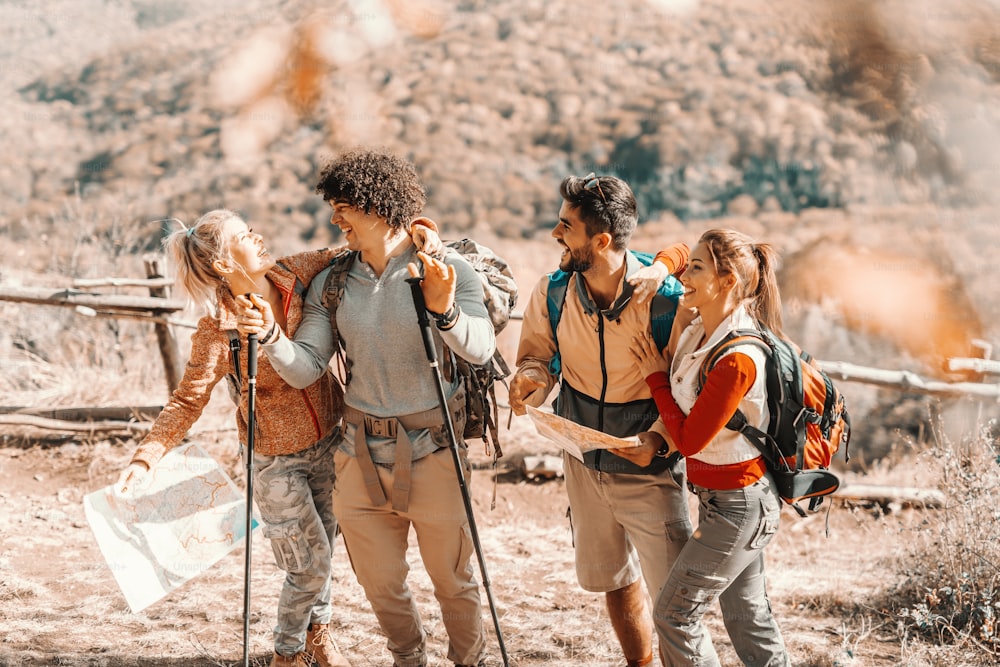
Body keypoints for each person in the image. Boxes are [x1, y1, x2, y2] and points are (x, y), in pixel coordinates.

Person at [115, 208, 441, 667]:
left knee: (323, 552)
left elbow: (356, 246)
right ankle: (285, 654)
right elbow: (188, 400)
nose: (260, 236)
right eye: (246, 236)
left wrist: (415, 229)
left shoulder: (295, 273)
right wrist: (146, 457)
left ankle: (318, 636)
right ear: (226, 264)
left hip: (330, 441)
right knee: (307, 566)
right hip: (274, 462)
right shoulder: (218, 332)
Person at [235, 148, 494, 667]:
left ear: (376, 206)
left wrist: (443, 312)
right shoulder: (333, 284)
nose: (334, 220)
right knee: (379, 583)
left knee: (453, 581)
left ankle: (470, 661)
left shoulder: (444, 271)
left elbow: (481, 346)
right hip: (357, 456)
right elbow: (306, 365)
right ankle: (408, 659)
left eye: (342, 207)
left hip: (434, 453)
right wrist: (268, 334)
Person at [508, 173, 693, 667]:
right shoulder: (552, 292)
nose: (554, 234)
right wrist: (530, 381)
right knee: (614, 577)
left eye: (565, 226)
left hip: (653, 470)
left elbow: (689, 391)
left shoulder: (666, 301)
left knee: (676, 600)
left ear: (601, 240)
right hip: (583, 464)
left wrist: (657, 440)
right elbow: (537, 358)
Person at [622, 228, 790, 666]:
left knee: (675, 616)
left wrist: (656, 377)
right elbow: (677, 252)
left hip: (740, 507)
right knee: (746, 618)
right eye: (690, 265)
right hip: (726, 503)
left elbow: (693, 441)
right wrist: (663, 265)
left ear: (727, 281)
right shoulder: (702, 327)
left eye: (698, 269)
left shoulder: (737, 357)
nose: (686, 276)